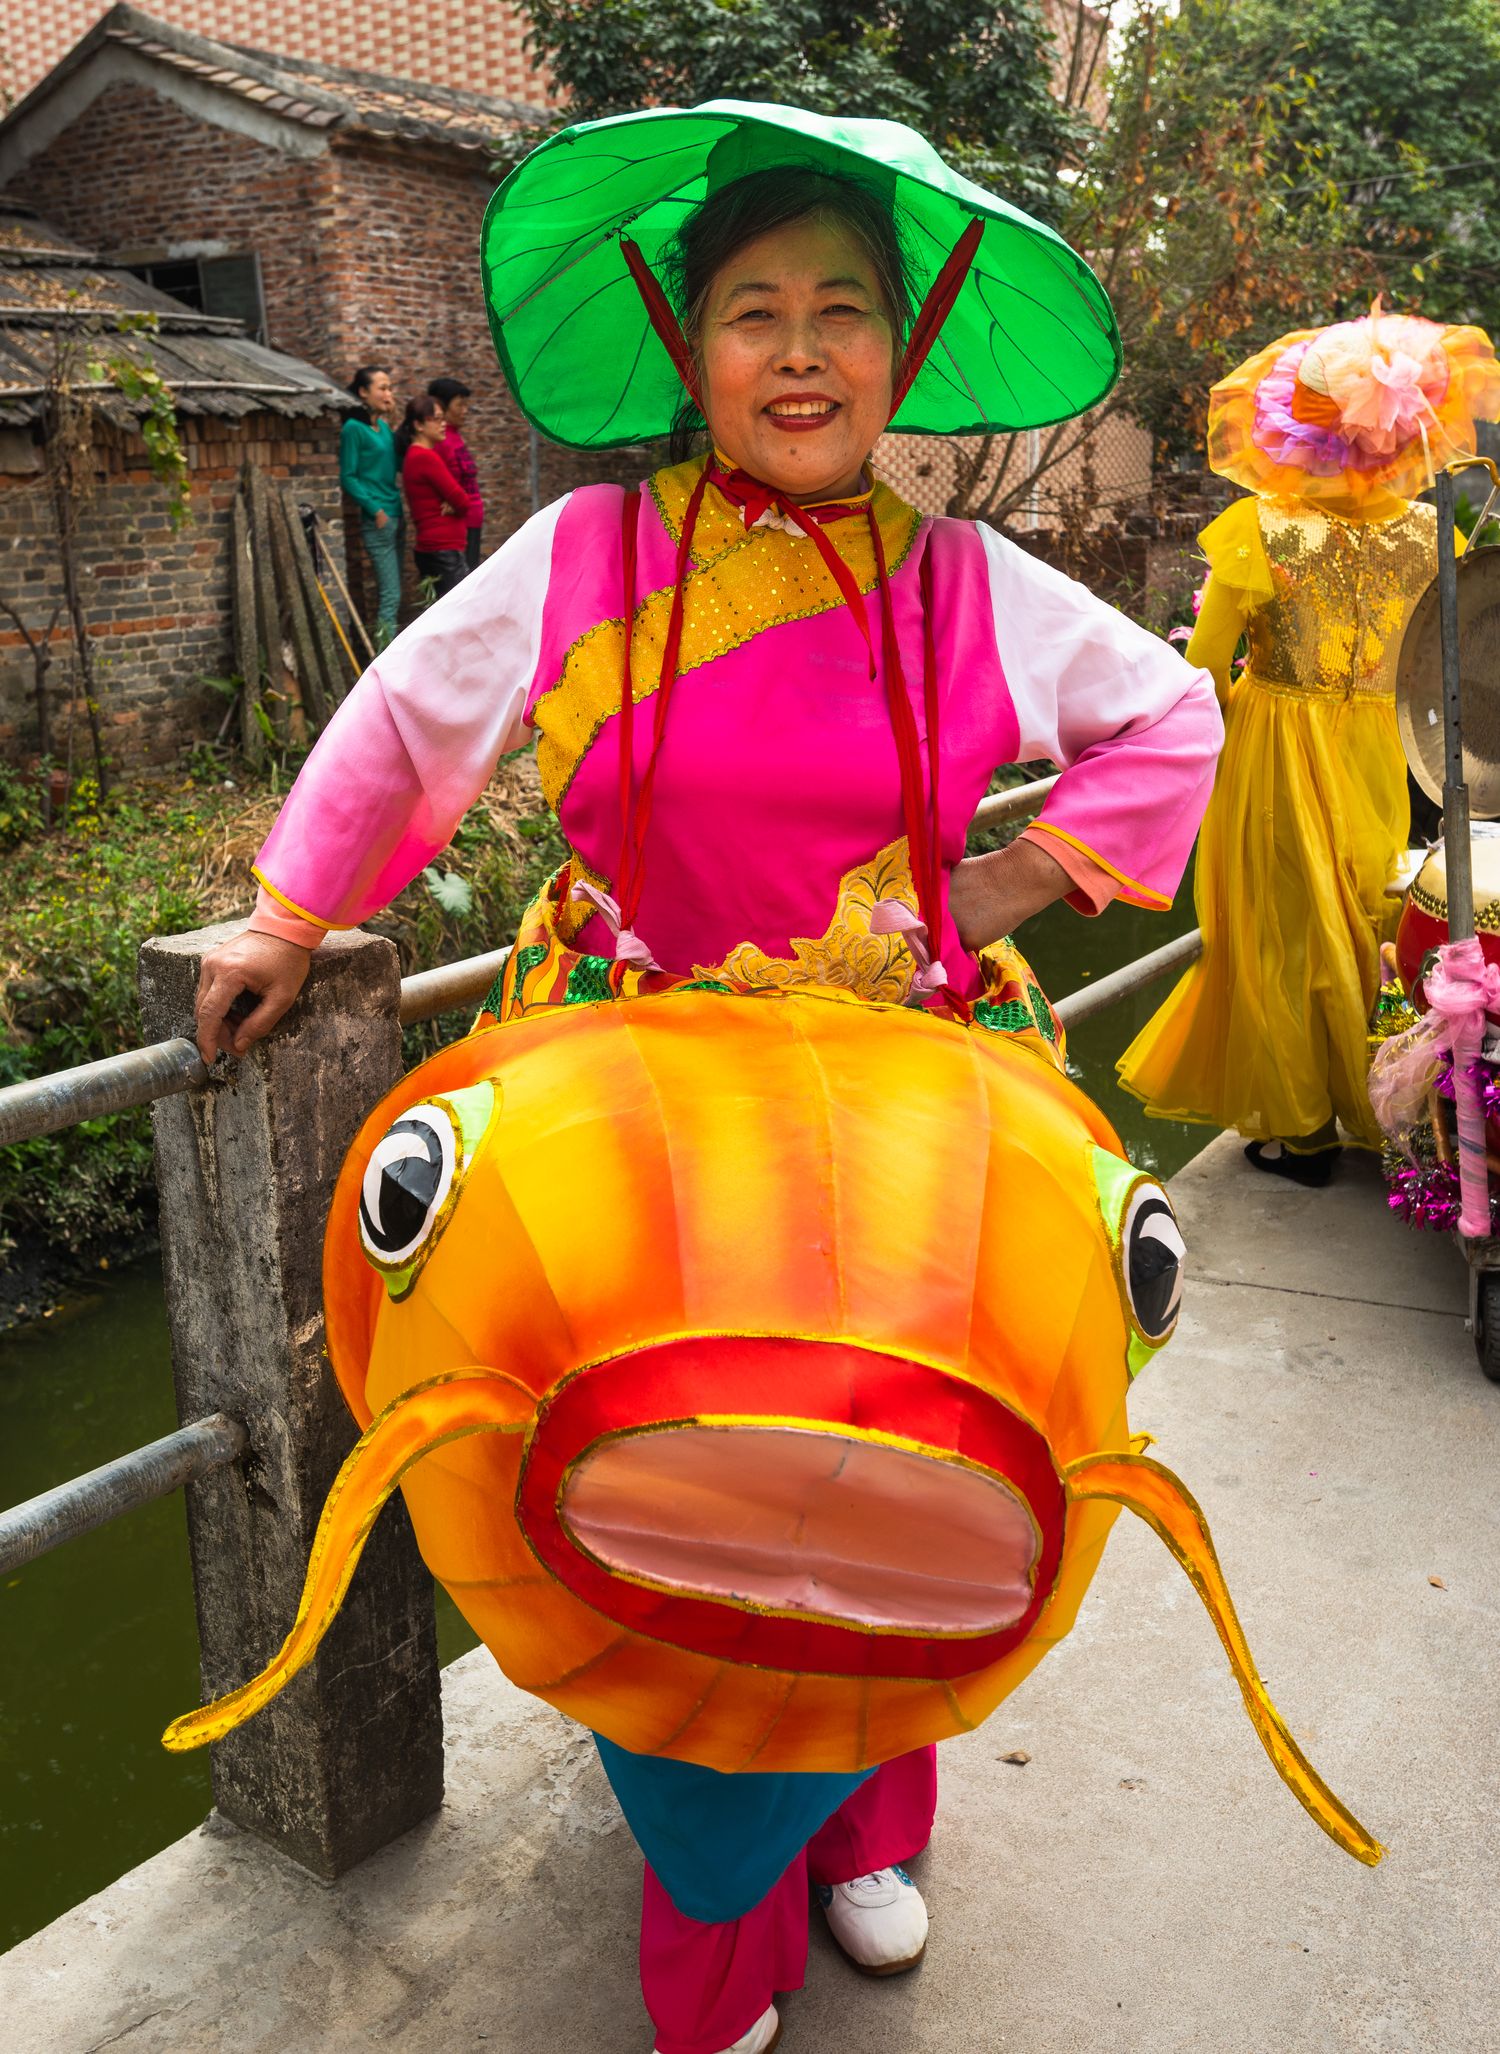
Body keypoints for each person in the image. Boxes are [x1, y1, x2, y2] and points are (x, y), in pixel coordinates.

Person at [193, 105, 1219, 2054]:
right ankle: (706, 1903)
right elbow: (417, 720)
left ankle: (867, 1826)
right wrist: (287, 908)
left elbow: (1178, 719)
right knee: (658, 1475)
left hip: (903, 1093)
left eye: (847, 311)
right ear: (692, 345)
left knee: (898, 1462)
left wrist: (1000, 878)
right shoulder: (585, 551)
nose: (805, 350)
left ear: (902, 357)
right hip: (635, 1093)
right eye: (758, 312)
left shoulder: (968, 585)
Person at [1118, 306, 1500, 1187]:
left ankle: (1304, 1128)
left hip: (1276, 740)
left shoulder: (1260, 529)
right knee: (1365, 917)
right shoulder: (1430, 536)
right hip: (1380, 745)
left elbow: (1205, 670)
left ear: (1303, 427)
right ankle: (1377, 1111)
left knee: (1281, 933)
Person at [338, 365, 402, 648]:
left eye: (390, 388)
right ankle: (383, 658)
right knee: (391, 594)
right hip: (379, 520)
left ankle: (391, 653)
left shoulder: (385, 427)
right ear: (363, 392)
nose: (388, 393)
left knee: (395, 592)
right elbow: (348, 477)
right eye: (382, 388)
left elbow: (396, 463)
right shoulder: (353, 429)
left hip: (397, 513)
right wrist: (374, 510)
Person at [396, 394, 470, 599]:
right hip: (442, 550)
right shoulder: (424, 457)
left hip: (437, 549)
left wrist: (453, 502)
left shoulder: (418, 455)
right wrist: (454, 504)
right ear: (419, 425)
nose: (443, 424)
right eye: (436, 419)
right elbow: (463, 502)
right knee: (458, 614)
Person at [427, 374, 484, 568]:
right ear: (442, 407)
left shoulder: (455, 437)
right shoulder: (442, 441)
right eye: (459, 405)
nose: (465, 411)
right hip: (460, 523)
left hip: (472, 520)